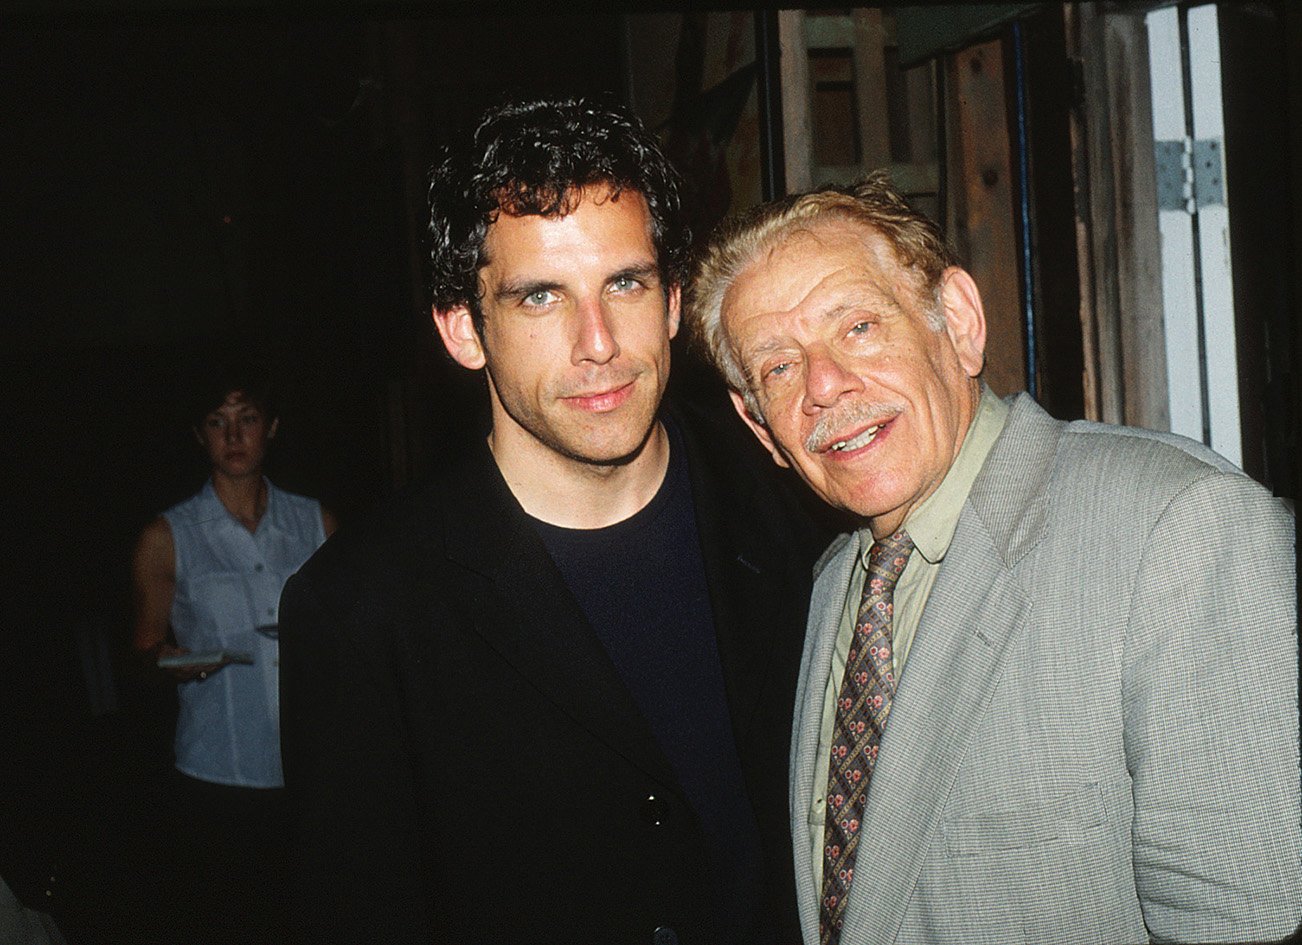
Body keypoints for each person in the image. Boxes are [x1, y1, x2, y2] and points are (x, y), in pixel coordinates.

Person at [688, 172, 1301, 945]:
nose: (823, 385)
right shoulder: (830, 584)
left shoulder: (1174, 528)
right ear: (758, 424)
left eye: (858, 328)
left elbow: (1248, 923)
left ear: (961, 321)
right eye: (778, 367)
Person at [277, 96, 828, 945]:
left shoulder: (795, 498)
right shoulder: (362, 611)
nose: (598, 340)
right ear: (465, 329)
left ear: (675, 302)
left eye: (626, 282)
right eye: (540, 298)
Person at [131, 360, 334, 942]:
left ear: (271, 427)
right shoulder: (168, 536)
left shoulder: (314, 522)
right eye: (218, 423)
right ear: (201, 436)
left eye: (247, 419)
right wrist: (174, 661)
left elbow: (349, 639)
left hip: (309, 772)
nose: (235, 436)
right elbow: (144, 655)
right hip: (216, 773)